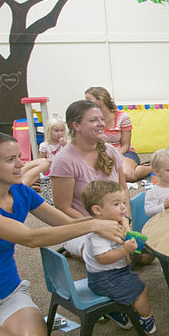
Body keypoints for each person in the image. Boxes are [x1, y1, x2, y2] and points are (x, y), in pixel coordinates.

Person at [0, 131, 124, 336]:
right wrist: (94, 225)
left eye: (19, 157)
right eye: (9, 160)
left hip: (8, 289)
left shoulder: (21, 192)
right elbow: (31, 238)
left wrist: (112, 218)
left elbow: (67, 224)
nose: (20, 165)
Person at [50, 99, 129, 257]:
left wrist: (125, 218)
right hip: (81, 227)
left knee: (144, 253)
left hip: (114, 221)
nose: (101, 123)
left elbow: (123, 188)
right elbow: (63, 207)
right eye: (93, 120)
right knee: (109, 257)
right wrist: (96, 225)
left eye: (101, 119)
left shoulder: (110, 151)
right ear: (76, 126)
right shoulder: (64, 160)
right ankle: (72, 249)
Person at [81, 180, 156, 334]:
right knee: (140, 289)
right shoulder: (97, 234)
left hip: (115, 272)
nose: (123, 207)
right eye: (116, 204)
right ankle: (145, 319)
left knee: (137, 280)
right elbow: (103, 258)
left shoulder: (114, 223)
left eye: (123, 202)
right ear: (97, 210)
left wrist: (126, 232)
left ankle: (117, 312)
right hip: (104, 278)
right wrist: (124, 251)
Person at [84, 87, 151, 182]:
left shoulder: (122, 117)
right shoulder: (90, 119)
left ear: (100, 100)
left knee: (128, 175)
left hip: (123, 152)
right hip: (101, 153)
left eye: (89, 100)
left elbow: (126, 146)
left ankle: (152, 167)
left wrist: (111, 156)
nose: (86, 103)